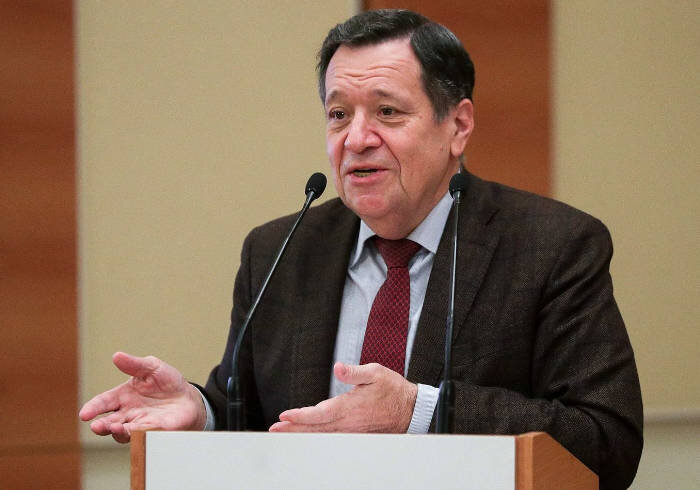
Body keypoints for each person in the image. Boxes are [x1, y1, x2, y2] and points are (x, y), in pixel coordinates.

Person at [79, 9, 643, 489]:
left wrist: (419, 412)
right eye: (339, 114)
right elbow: (251, 416)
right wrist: (200, 413)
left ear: (458, 126)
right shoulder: (279, 250)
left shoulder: (551, 245)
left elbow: (606, 441)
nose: (356, 138)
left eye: (387, 112)